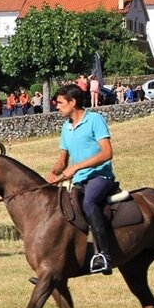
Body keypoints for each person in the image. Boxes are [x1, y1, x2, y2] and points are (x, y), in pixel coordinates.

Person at [46, 84, 116, 275]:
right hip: (79, 181)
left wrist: (76, 167)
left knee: (89, 202)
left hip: (100, 176)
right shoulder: (65, 127)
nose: (57, 107)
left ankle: (104, 256)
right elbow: (63, 158)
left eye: (60, 103)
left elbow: (107, 153)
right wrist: (54, 171)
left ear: (73, 102)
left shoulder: (94, 120)